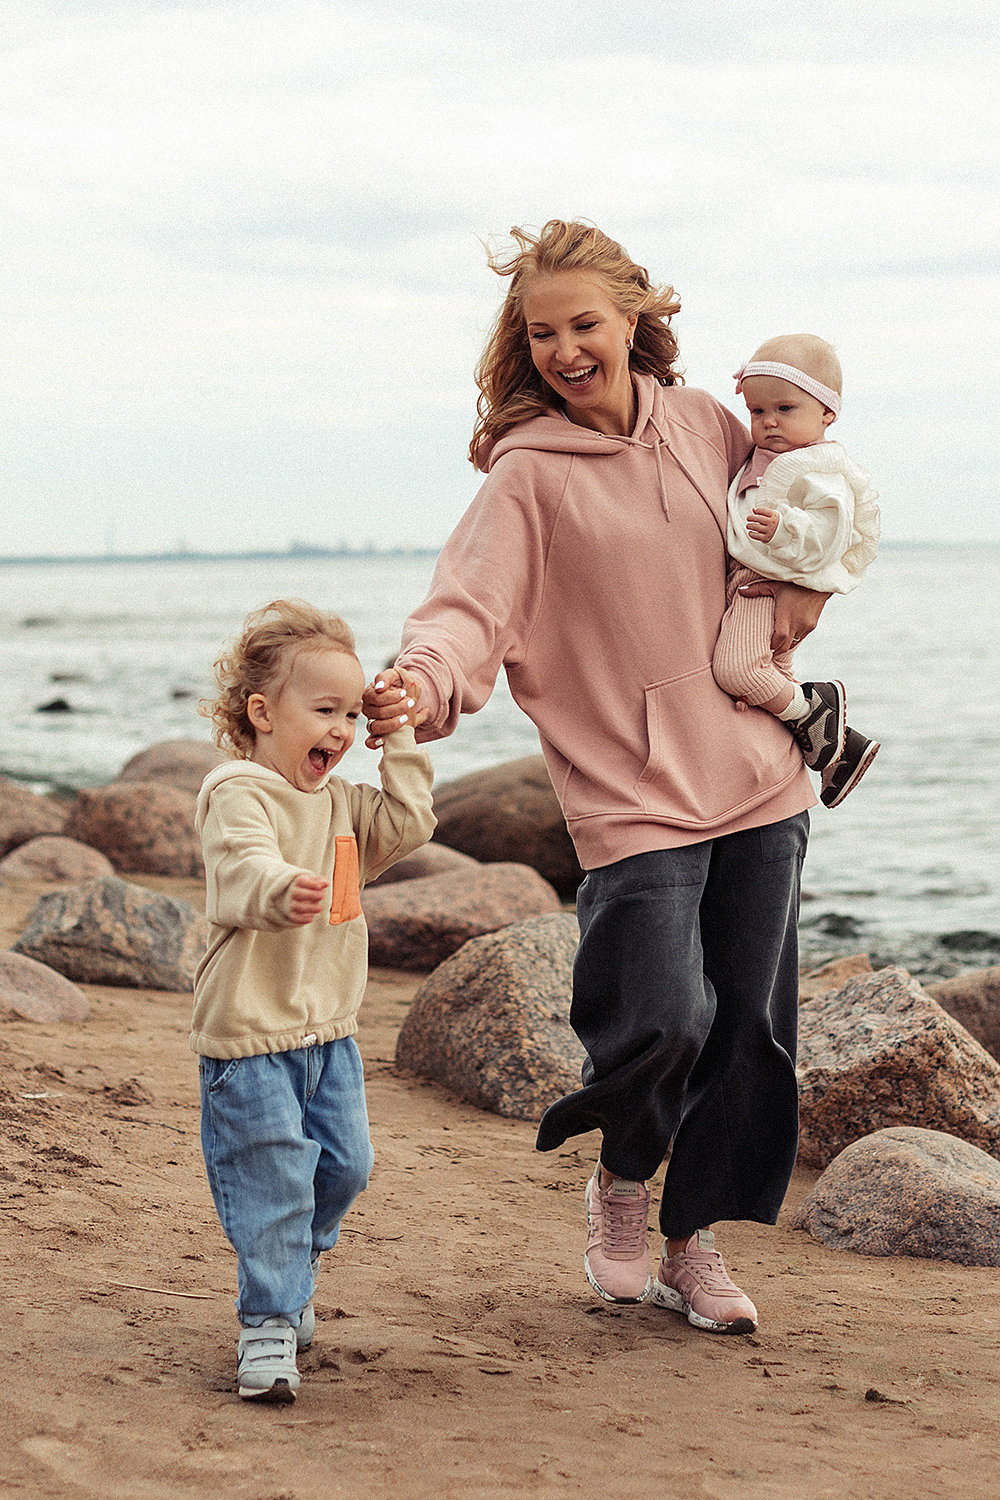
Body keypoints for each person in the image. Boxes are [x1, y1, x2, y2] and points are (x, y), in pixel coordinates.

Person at [365, 219, 828, 1336]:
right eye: (543, 333)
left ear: (633, 320)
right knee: (659, 1017)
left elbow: (794, 531)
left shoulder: (710, 424)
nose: (567, 348)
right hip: (629, 792)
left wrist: (806, 602)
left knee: (749, 1035)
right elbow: (466, 609)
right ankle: (624, 1181)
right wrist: (416, 686)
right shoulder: (527, 477)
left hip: (759, 777)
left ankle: (690, 1242)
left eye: (585, 324)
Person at [193, 599, 435, 1402]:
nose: (339, 728)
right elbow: (239, 866)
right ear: (263, 713)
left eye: (350, 711)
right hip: (248, 1032)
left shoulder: (343, 807)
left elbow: (410, 820)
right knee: (272, 1184)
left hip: (328, 1032)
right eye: (323, 709)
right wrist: (278, 888)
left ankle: (292, 1263)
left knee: (346, 1168)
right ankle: (267, 1323)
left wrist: (393, 732)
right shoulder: (238, 790)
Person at [713, 333, 881, 808]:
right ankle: (829, 756)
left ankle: (824, 725)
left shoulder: (820, 470)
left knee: (738, 670)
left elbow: (829, 533)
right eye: (757, 412)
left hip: (767, 586)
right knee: (775, 667)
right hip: (749, 579)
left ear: (827, 412)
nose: (768, 423)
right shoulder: (769, 458)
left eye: (785, 409)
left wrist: (785, 528)